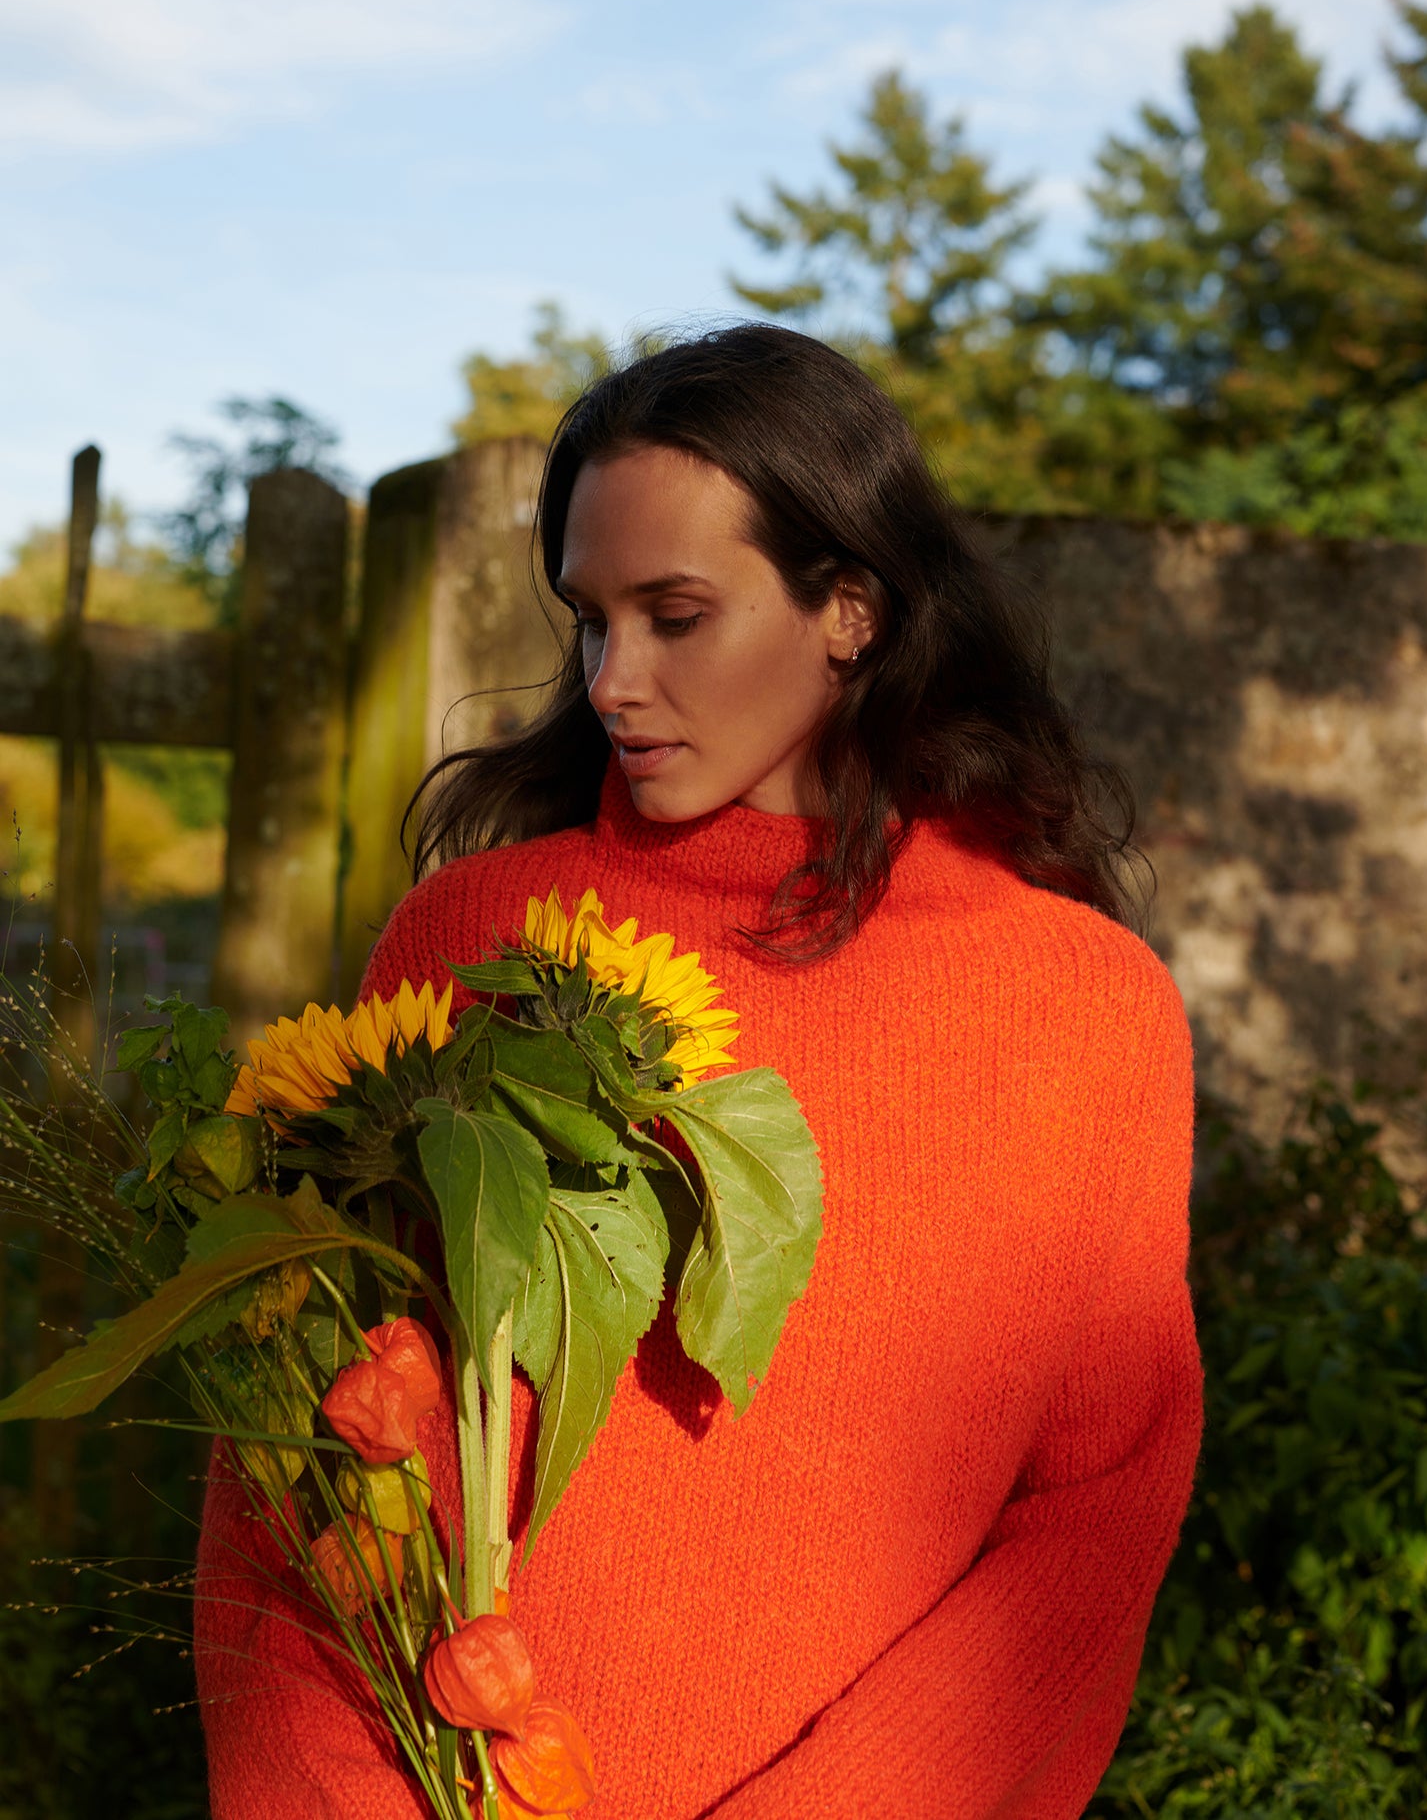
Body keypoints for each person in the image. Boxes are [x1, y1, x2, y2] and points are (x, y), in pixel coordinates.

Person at [196, 323, 1203, 1819]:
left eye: (676, 614)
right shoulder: (474, 940)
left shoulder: (1079, 1006)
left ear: (848, 608)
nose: (614, 678)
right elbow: (293, 1432)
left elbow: (1093, 1512)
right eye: (590, 619)